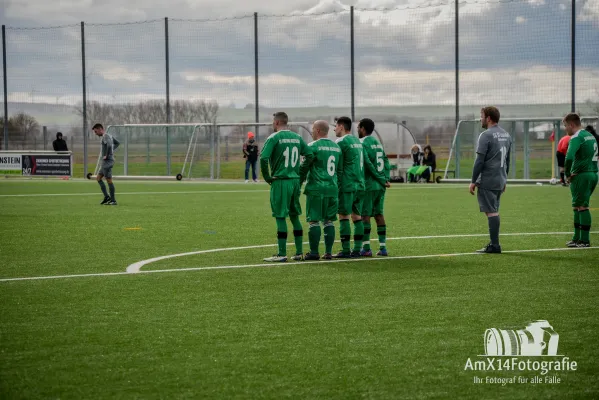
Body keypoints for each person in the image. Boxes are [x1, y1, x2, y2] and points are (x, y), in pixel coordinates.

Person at [260, 112, 314, 262]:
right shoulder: (297, 137)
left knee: (280, 216)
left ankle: (282, 253)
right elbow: (309, 155)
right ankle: (298, 252)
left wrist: (268, 177)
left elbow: (264, 158)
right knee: (294, 216)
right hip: (295, 181)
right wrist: (301, 175)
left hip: (281, 180)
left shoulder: (274, 138)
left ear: (276, 122)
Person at [469, 106, 512, 254]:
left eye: (481, 116)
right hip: (500, 178)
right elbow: (508, 160)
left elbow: (479, 161)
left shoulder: (485, 135)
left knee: (491, 212)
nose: (480, 119)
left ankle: (495, 245)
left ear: (488, 118)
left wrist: (473, 180)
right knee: (494, 210)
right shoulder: (506, 135)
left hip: (488, 178)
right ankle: (494, 244)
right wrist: (504, 179)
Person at [298, 120, 342, 260]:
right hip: (332, 188)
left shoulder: (312, 146)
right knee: (329, 221)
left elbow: (305, 166)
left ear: (317, 130)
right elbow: (339, 170)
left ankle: (314, 252)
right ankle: (328, 253)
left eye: (312, 129)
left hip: (316, 188)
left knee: (314, 221)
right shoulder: (336, 148)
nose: (311, 131)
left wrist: (298, 181)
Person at [331, 116, 365, 258]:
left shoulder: (341, 141)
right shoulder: (357, 141)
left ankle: (345, 250)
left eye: (336, 126)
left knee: (344, 216)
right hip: (359, 183)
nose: (334, 129)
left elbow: (337, 163)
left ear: (341, 126)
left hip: (347, 183)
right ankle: (357, 249)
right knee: (357, 216)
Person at [563, 114, 598, 248]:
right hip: (593, 173)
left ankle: (584, 240)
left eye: (566, 125)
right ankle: (576, 238)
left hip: (581, 175)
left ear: (572, 125)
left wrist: (567, 174)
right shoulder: (589, 135)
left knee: (582, 206)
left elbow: (569, 157)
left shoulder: (576, 137)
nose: (565, 129)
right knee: (578, 206)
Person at [358, 118, 391, 257]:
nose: (358, 130)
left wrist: (380, 178)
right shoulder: (378, 143)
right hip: (380, 186)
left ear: (363, 128)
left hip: (369, 184)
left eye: (359, 127)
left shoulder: (362, 143)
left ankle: (366, 248)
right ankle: (383, 248)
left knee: (365, 215)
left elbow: (368, 164)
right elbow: (386, 161)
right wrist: (386, 178)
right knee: (378, 214)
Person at [92, 123, 120, 205]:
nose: (95, 133)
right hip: (105, 162)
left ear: (100, 129)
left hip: (107, 161)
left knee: (109, 180)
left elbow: (108, 146)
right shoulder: (109, 136)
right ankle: (107, 197)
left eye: (96, 131)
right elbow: (117, 143)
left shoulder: (105, 136)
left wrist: (107, 155)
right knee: (98, 178)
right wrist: (111, 151)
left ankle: (113, 200)